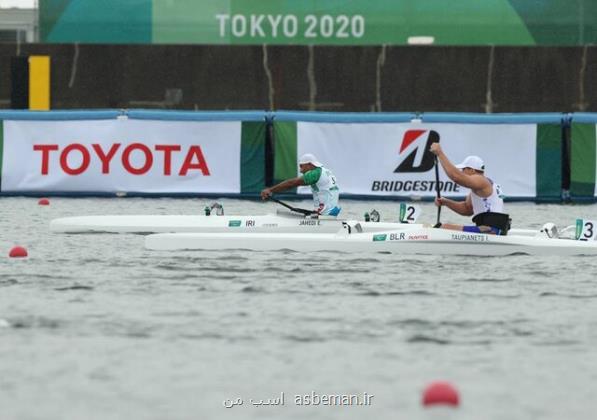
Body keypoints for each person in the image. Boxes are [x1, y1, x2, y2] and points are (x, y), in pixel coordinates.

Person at [429, 143, 510, 235]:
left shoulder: (481, 180)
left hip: (490, 230)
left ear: (472, 170)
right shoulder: (480, 188)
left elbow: (456, 177)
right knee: (442, 227)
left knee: (442, 228)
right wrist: (445, 202)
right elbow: (466, 209)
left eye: (464, 169)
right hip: (489, 229)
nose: (462, 172)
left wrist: (440, 153)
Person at [260, 153, 341, 216]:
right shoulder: (325, 171)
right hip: (331, 211)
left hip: (325, 214)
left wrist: (270, 190)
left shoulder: (315, 174)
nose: (301, 171)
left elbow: (291, 184)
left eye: (302, 166)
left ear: (310, 164)